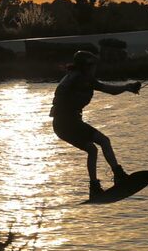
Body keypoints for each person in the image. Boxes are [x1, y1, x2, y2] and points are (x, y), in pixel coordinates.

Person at [50, 50, 141, 200]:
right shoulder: (82, 79)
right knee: (104, 141)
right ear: (86, 66)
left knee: (92, 150)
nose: (95, 69)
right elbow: (109, 90)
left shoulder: (76, 76)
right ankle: (119, 175)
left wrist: (127, 87)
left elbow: (107, 89)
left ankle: (94, 187)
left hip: (62, 125)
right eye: (93, 66)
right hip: (68, 123)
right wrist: (127, 87)